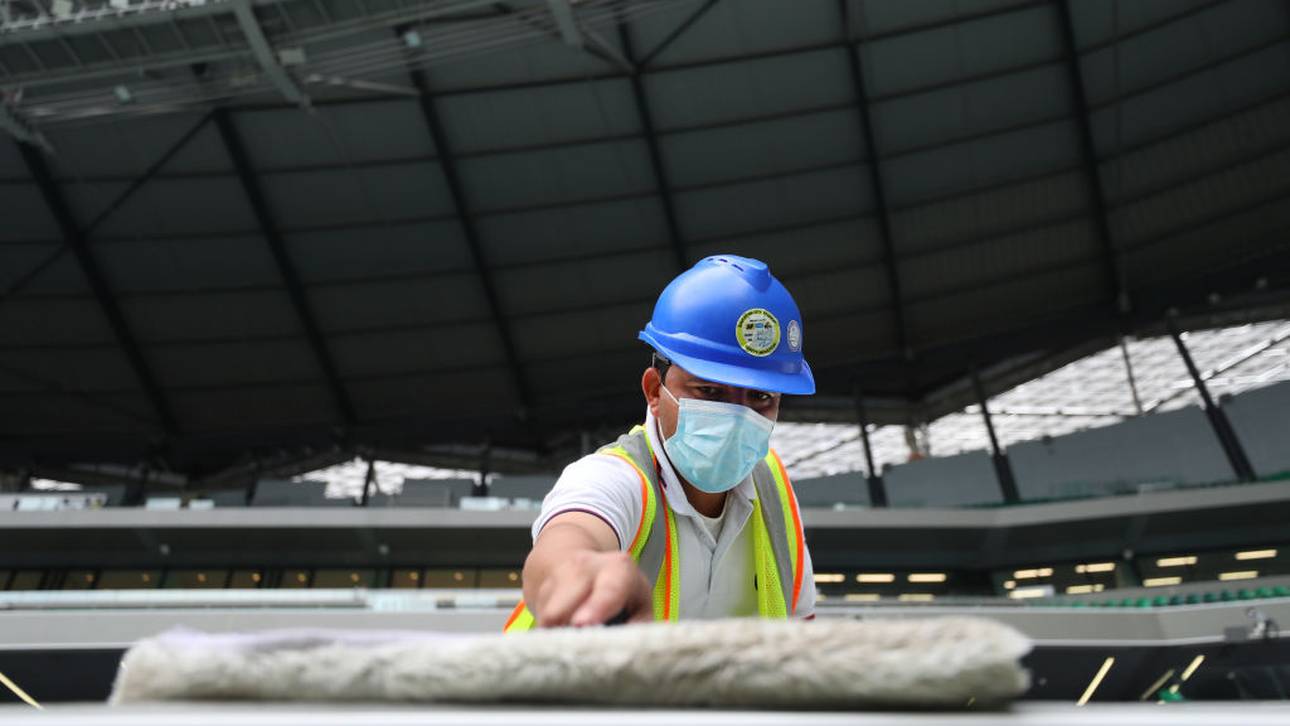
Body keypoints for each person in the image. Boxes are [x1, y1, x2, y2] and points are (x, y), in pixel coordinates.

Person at [505, 255, 817, 631]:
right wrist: (575, 573)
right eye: (710, 391)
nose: (739, 417)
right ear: (655, 390)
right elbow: (569, 538)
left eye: (762, 398)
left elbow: (801, 627)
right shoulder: (613, 478)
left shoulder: (775, 489)